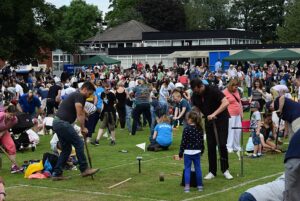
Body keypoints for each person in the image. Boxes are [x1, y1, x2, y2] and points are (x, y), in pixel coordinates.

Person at [52, 81, 99, 180]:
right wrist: (83, 128)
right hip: (62, 123)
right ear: (85, 89)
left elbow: (79, 109)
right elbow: (79, 113)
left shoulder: (76, 95)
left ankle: (57, 173)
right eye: (89, 93)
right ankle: (84, 169)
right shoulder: (80, 96)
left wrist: (85, 112)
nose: (89, 96)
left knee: (66, 149)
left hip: (57, 123)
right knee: (79, 143)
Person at [190, 79, 233, 180]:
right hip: (209, 121)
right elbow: (197, 108)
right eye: (194, 91)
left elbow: (225, 103)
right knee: (210, 146)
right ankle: (212, 171)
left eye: (197, 90)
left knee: (222, 144)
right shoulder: (195, 96)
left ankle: (225, 169)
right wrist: (195, 119)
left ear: (201, 86)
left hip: (221, 119)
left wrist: (214, 114)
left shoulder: (213, 90)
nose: (196, 93)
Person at [268, 96, 300, 201]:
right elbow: (286, 120)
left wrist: (280, 109)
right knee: (292, 140)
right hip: (292, 118)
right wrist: (286, 131)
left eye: (271, 106)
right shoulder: (280, 112)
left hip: (297, 116)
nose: (272, 108)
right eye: (271, 109)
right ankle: (292, 153)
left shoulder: (278, 101)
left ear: (272, 103)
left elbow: (282, 97)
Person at [179, 111, 204, 193]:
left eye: (187, 118)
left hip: (187, 152)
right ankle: (200, 186)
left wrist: (180, 152)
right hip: (197, 152)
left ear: (190, 119)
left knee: (187, 169)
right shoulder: (200, 129)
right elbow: (201, 141)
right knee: (198, 168)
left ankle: (187, 187)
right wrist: (202, 150)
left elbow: (183, 141)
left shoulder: (186, 129)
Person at [0, 105, 23, 173]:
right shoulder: (1, 116)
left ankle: (14, 166)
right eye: (10, 115)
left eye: (13, 115)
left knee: (11, 145)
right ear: (6, 111)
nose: (12, 117)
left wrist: (1, 133)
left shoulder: (14, 120)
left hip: (3, 132)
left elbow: (7, 127)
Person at [223, 79, 242, 157]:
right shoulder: (224, 92)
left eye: (237, 87)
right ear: (231, 86)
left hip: (237, 114)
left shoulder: (237, 91)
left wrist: (241, 113)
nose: (236, 88)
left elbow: (239, 102)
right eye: (234, 86)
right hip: (230, 114)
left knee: (238, 130)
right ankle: (229, 146)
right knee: (230, 130)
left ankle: (236, 146)